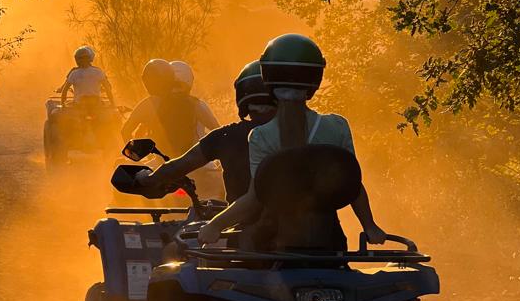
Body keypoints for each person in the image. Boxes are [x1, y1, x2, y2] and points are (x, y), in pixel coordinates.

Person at [198, 34, 387, 247]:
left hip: (278, 244)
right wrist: (370, 226)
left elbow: (254, 199)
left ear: (267, 78)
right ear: (315, 80)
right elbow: (353, 186)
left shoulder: (261, 136)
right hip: (330, 242)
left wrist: (214, 225)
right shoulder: (337, 126)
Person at [135, 60, 276, 203]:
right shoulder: (296, 131)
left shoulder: (226, 136)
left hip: (239, 221)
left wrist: (148, 179)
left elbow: (181, 164)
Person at [121, 59, 218, 157]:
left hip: (162, 163)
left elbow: (125, 131)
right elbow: (218, 130)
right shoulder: (195, 103)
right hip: (195, 160)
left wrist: (135, 157)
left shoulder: (149, 104)